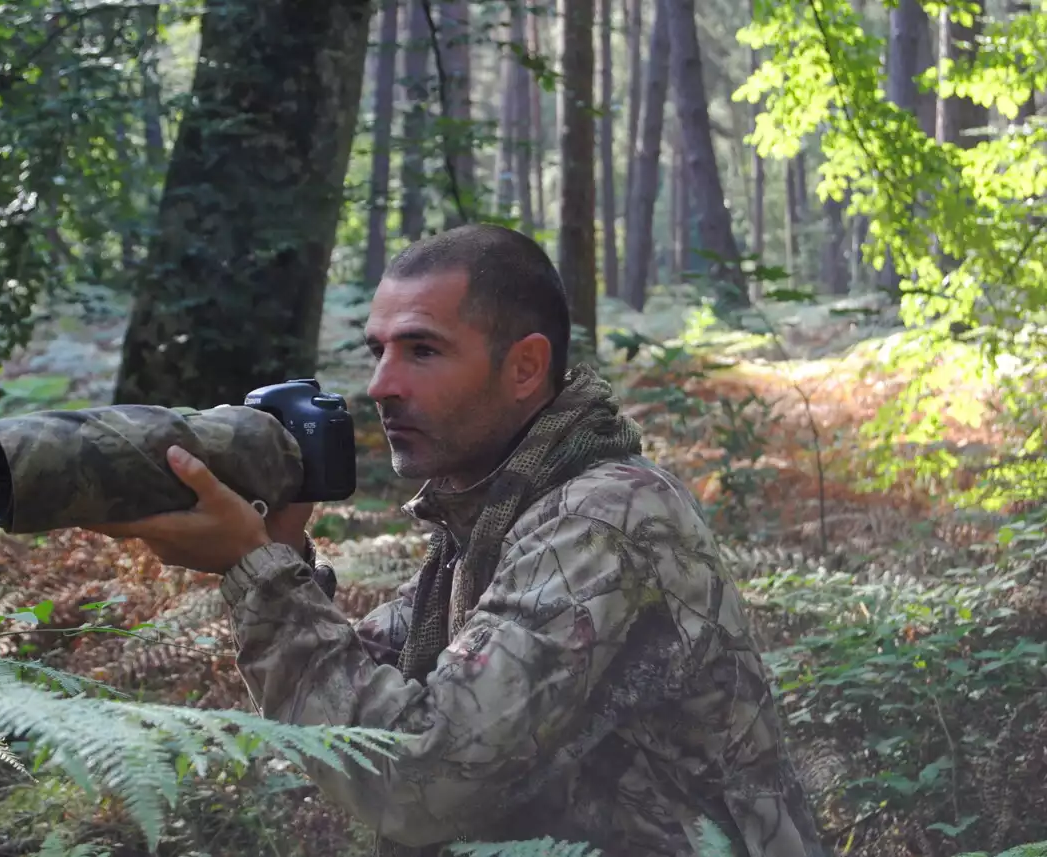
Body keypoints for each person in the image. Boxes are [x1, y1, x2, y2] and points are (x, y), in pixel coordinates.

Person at [90, 224, 826, 857]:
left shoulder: (606, 515)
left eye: (422, 351)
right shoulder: (494, 514)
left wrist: (256, 572)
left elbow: (421, 777)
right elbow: (377, 683)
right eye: (379, 350)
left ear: (526, 367)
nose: (381, 384)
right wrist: (279, 557)